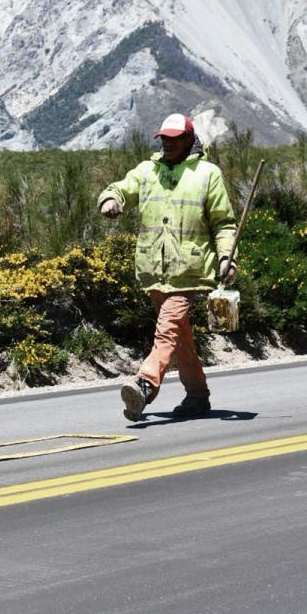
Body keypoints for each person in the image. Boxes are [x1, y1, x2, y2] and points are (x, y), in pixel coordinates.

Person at [97, 114, 238, 421]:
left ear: (190, 139)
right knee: (180, 336)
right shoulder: (147, 170)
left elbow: (224, 224)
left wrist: (227, 258)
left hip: (190, 271)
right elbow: (122, 188)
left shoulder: (207, 174)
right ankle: (198, 396)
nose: (168, 144)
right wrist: (110, 199)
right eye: (164, 138)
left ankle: (145, 385)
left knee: (167, 330)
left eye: (175, 139)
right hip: (152, 270)